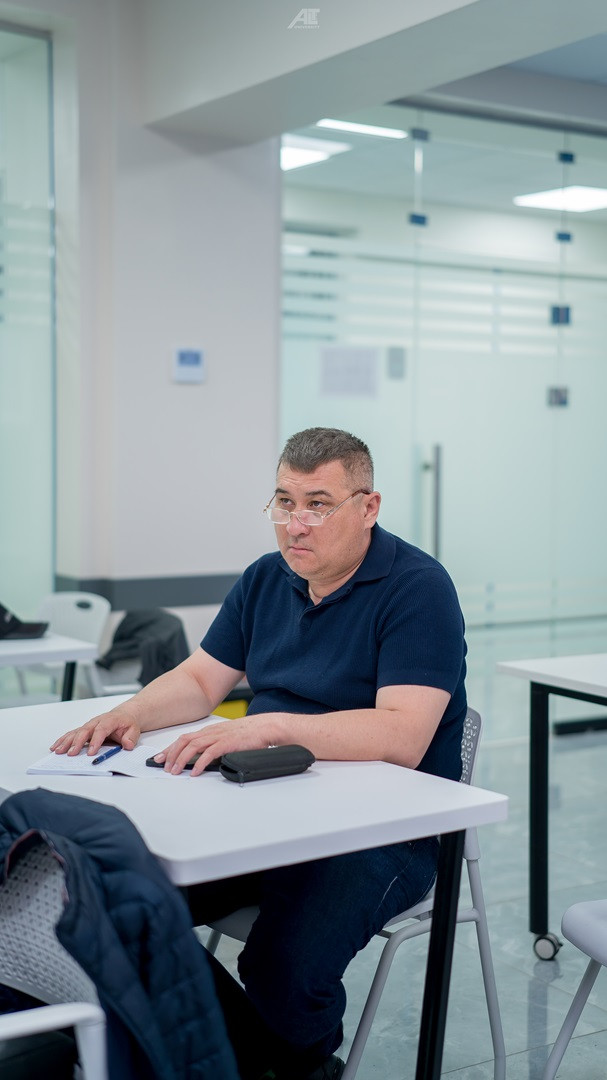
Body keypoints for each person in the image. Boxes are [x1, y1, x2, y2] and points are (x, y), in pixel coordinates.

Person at [51, 427, 467, 1080]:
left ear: (368, 507)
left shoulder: (418, 588)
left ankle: (298, 1066)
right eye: (284, 502)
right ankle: (235, 1058)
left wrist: (270, 727)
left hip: (382, 832)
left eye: (318, 505)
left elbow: (402, 735)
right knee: (117, 904)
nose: (295, 525)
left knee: (281, 965)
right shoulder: (266, 578)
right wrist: (127, 713)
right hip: (264, 809)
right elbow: (200, 681)